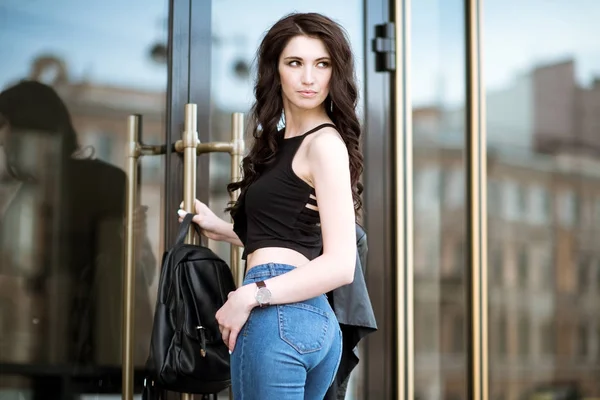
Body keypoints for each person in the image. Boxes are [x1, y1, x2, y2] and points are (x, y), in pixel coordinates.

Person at [177, 12, 364, 399]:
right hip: (305, 318)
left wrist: (250, 295)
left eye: (322, 64)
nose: (309, 78)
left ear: (336, 73)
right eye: (295, 63)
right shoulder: (282, 143)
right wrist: (223, 229)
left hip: (276, 311)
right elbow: (287, 231)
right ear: (275, 70)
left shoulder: (324, 144)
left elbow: (340, 264)